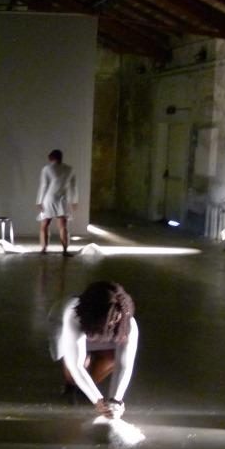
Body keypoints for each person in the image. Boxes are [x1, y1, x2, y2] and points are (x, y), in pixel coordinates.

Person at [51, 281, 138, 419]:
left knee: (108, 361)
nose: (111, 323)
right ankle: (71, 386)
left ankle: (86, 385)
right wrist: (97, 400)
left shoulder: (128, 324)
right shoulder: (73, 316)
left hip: (100, 339)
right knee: (74, 370)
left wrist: (115, 401)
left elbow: (124, 364)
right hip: (66, 328)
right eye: (107, 319)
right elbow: (76, 365)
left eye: (115, 319)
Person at [36, 149, 78, 255]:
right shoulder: (70, 169)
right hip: (62, 200)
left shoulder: (47, 169)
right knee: (63, 226)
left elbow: (44, 185)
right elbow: (73, 187)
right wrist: (74, 201)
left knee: (44, 225)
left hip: (49, 199)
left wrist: (39, 201)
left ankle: (44, 248)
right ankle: (65, 250)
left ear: (51, 158)